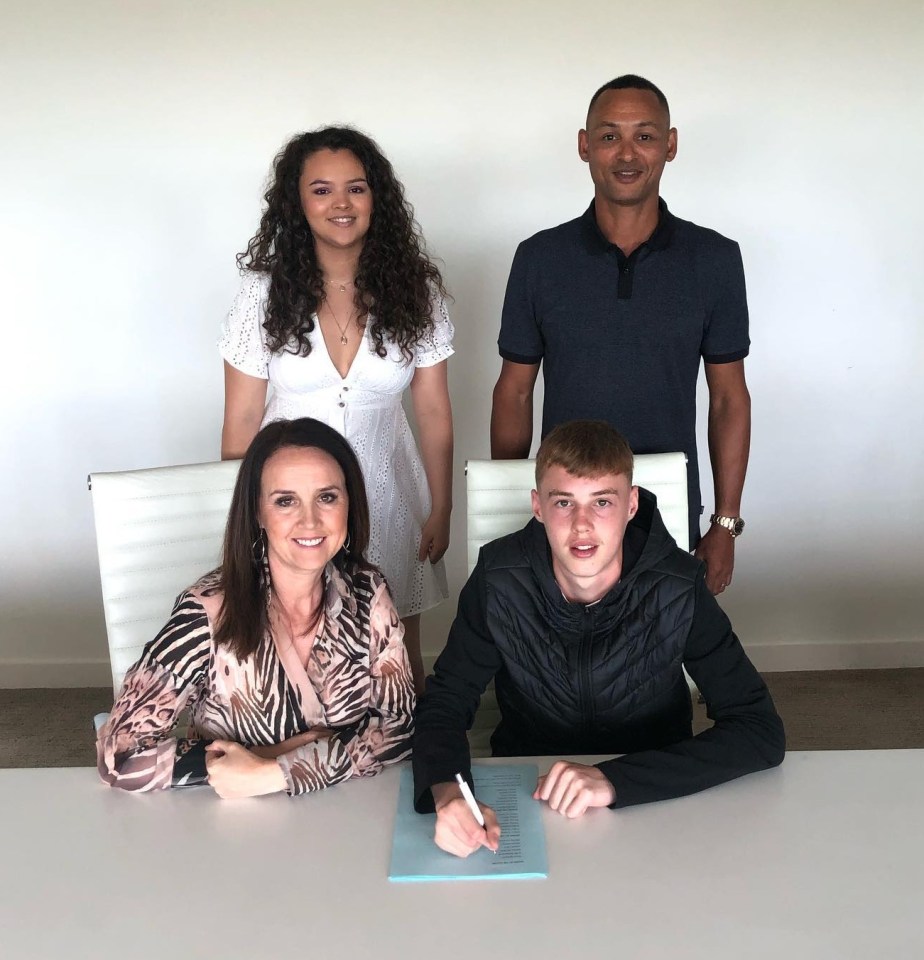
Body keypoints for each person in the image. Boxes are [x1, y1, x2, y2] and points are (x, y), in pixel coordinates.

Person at [413, 420, 783, 858]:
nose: (583, 524)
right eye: (564, 502)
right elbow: (445, 702)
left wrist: (614, 780)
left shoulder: (679, 585)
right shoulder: (498, 578)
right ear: (537, 506)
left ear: (631, 505)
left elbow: (759, 730)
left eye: (602, 502)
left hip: (652, 797)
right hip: (534, 792)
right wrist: (447, 793)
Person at [490, 75, 751, 597]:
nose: (627, 153)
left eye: (645, 136)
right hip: (566, 505)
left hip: (669, 501)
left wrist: (725, 524)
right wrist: (510, 503)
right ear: (585, 146)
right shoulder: (539, 258)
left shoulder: (715, 259)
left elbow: (727, 399)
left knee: (663, 667)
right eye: (609, 136)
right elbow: (515, 390)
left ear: (670, 145)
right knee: (553, 662)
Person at [219, 126, 454, 692]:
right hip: (288, 498)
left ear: (378, 199)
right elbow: (241, 421)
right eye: (322, 190)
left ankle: (404, 762)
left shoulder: (416, 292)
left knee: (398, 655)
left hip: (390, 493)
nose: (341, 204)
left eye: (357, 188)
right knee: (289, 647)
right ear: (297, 204)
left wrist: (441, 506)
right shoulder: (262, 292)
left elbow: (433, 412)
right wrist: (236, 513)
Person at [98, 418, 415, 798]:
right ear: (258, 513)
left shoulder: (369, 592)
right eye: (285, 501)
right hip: (234, 825)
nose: (310, 520)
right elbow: (119, 755)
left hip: (346, 812)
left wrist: (276, 768)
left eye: (327, 497)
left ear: (350, 503)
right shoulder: (208, 612)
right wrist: (282, 757)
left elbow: (400, 726)